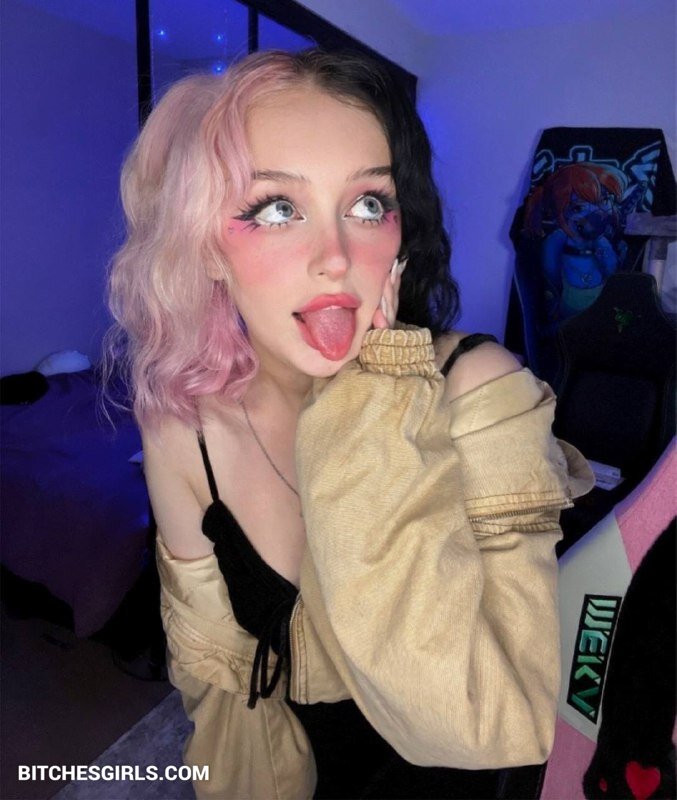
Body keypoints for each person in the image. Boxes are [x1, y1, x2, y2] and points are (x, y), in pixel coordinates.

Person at [105, 48, 593, 800]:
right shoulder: (183, 429)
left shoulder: (480, 389)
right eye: (276, 209)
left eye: (368, 205)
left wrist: (368, 397)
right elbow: (218, 682)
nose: (336, 258)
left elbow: (492, 723)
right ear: (207, 248)